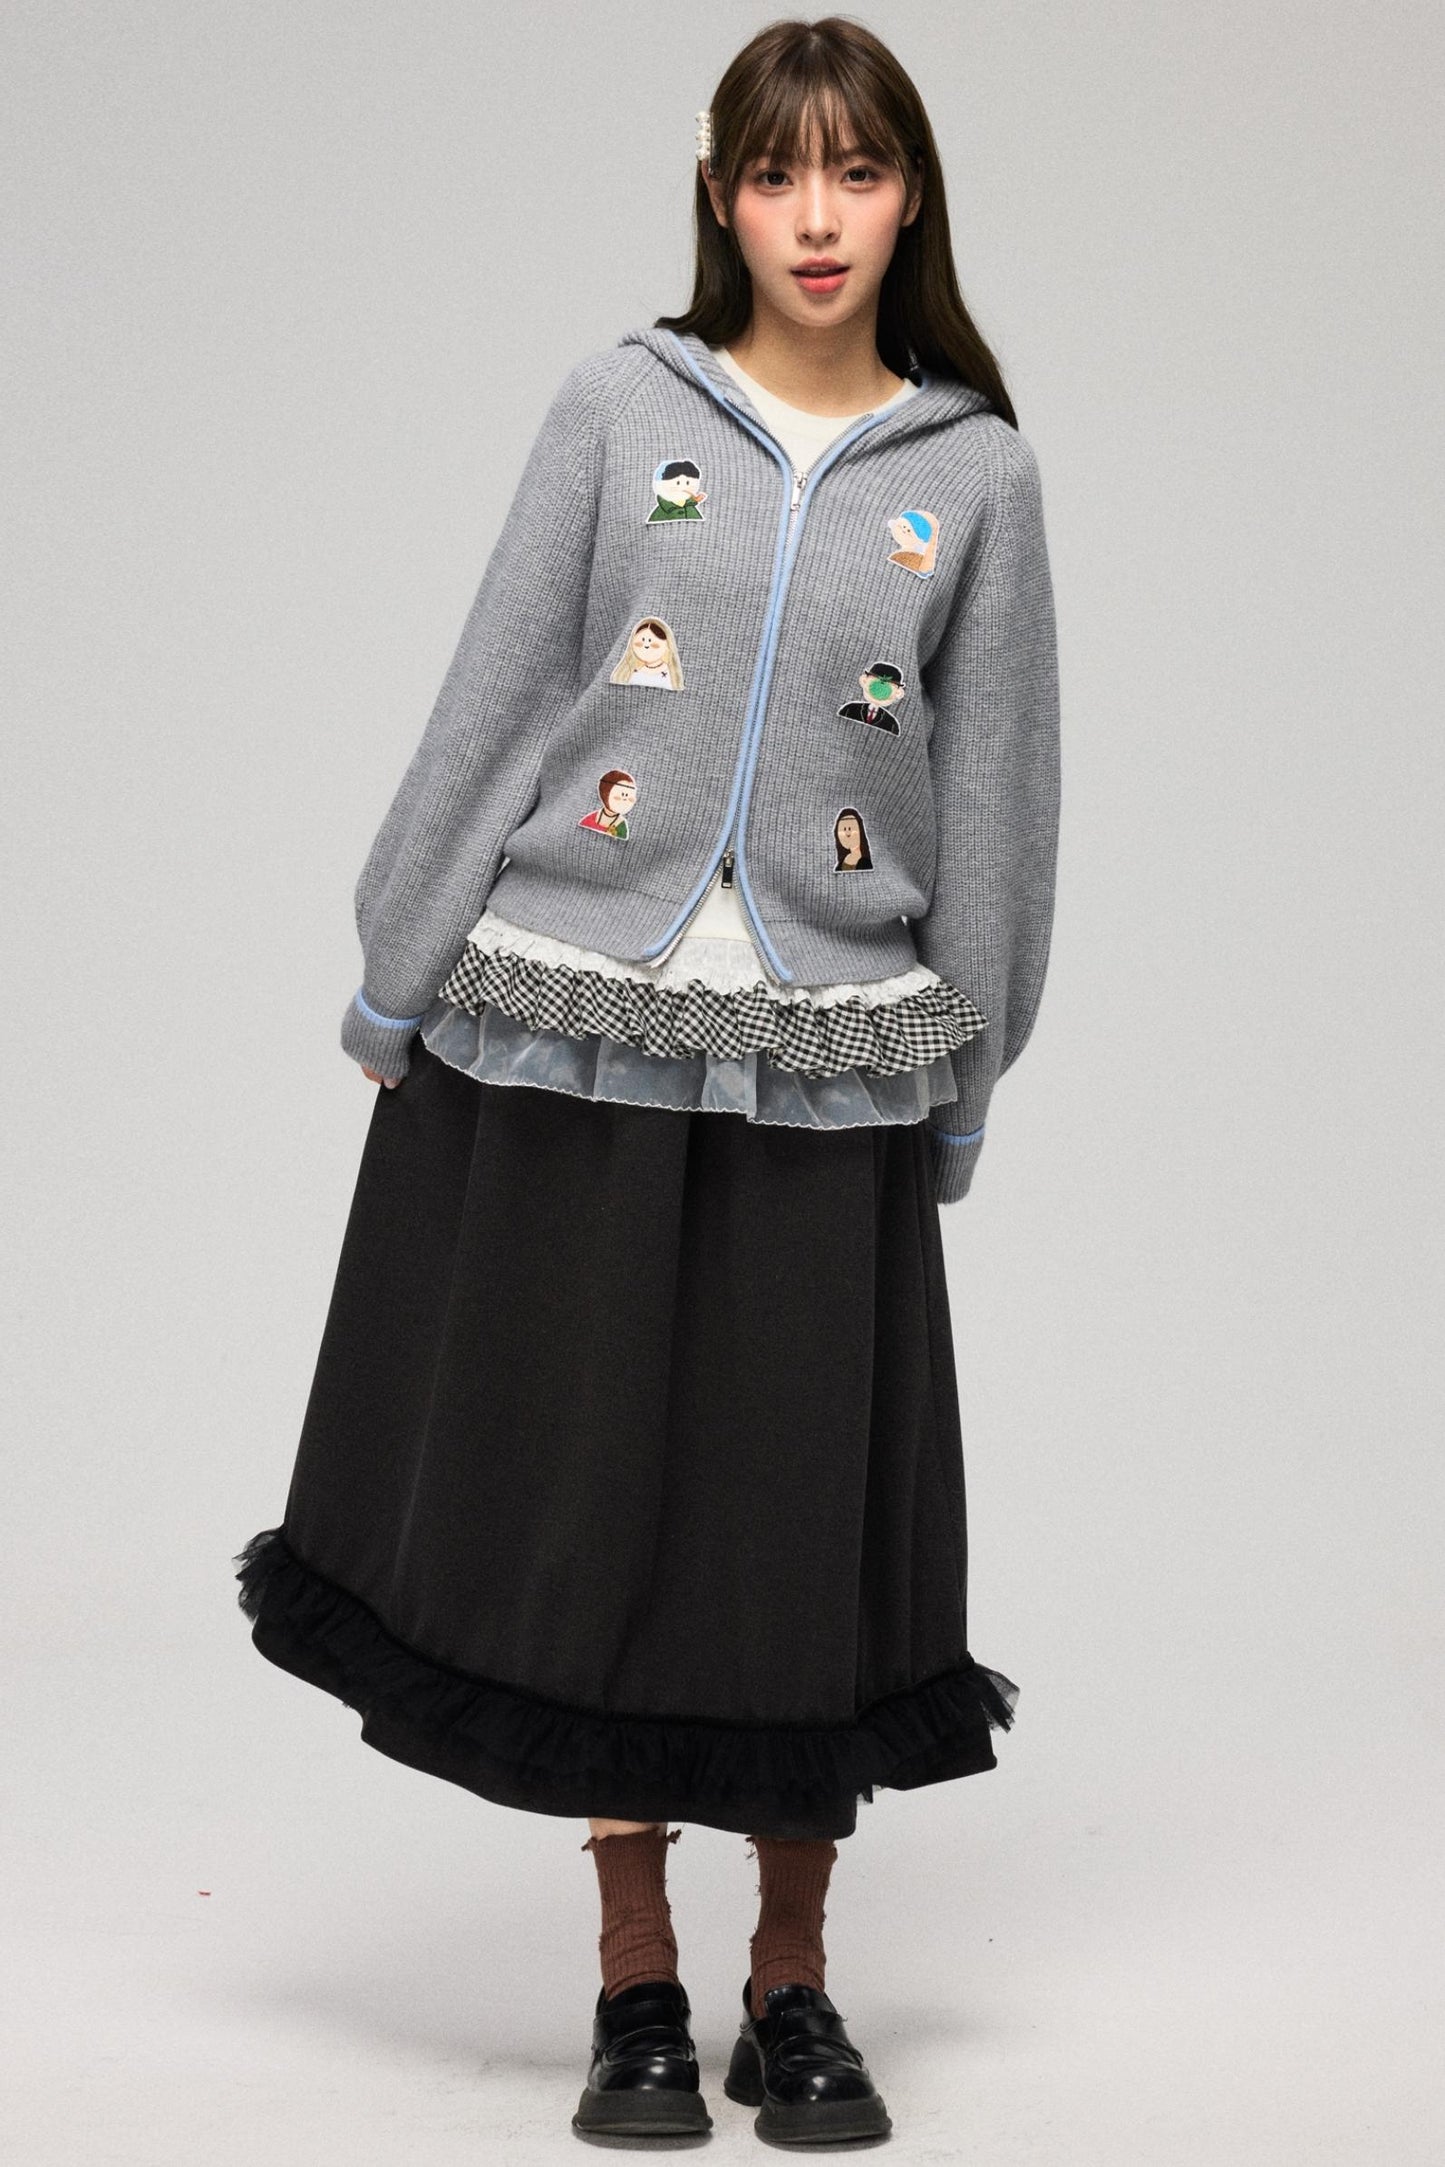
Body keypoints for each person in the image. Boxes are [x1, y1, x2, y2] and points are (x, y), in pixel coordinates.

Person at [235, 14, 1060, 2147]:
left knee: (793, 1513)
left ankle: (792, 1977)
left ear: (909, 195)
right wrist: (399, 972)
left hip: (831, 1036)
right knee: (589, 1493)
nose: (816, 215)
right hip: (571, 1012)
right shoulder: (621, 408)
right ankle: (632, 1975)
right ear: (719, 195)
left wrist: (971, 1064)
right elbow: (502, 687)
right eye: (777, 173)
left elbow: (1001, 792)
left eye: (856, 171)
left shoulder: (972, 470)